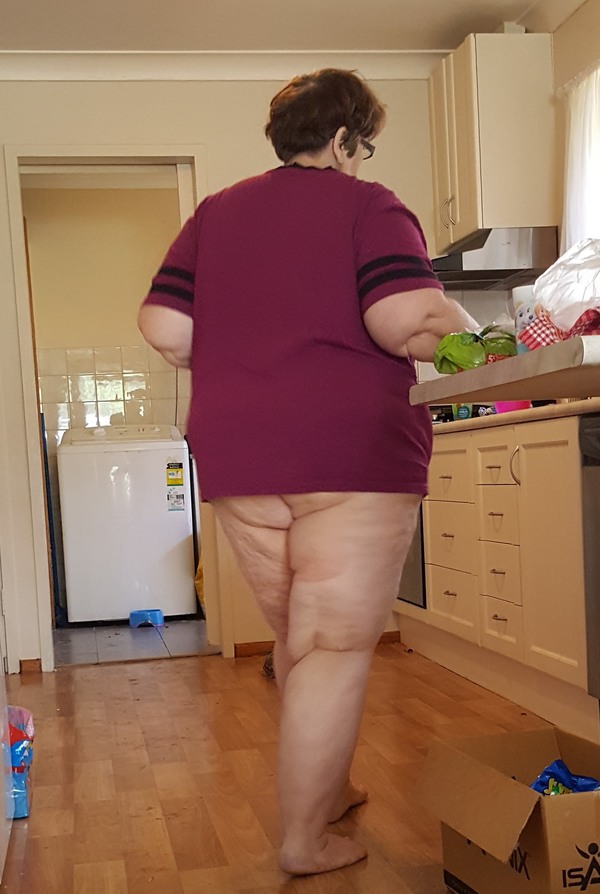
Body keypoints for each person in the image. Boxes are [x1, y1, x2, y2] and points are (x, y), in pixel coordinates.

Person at [138, 68, 477, 877]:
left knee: (300, 637)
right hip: (346, 450)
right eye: (363, 145)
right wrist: (468, 329)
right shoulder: (368, 205)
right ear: (346, 138)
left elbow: (166, 328)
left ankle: (329, 792)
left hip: (240, 452)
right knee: (331, 643)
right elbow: (404, 319)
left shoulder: (216, 212)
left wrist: (249, 342)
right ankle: (304, 839)